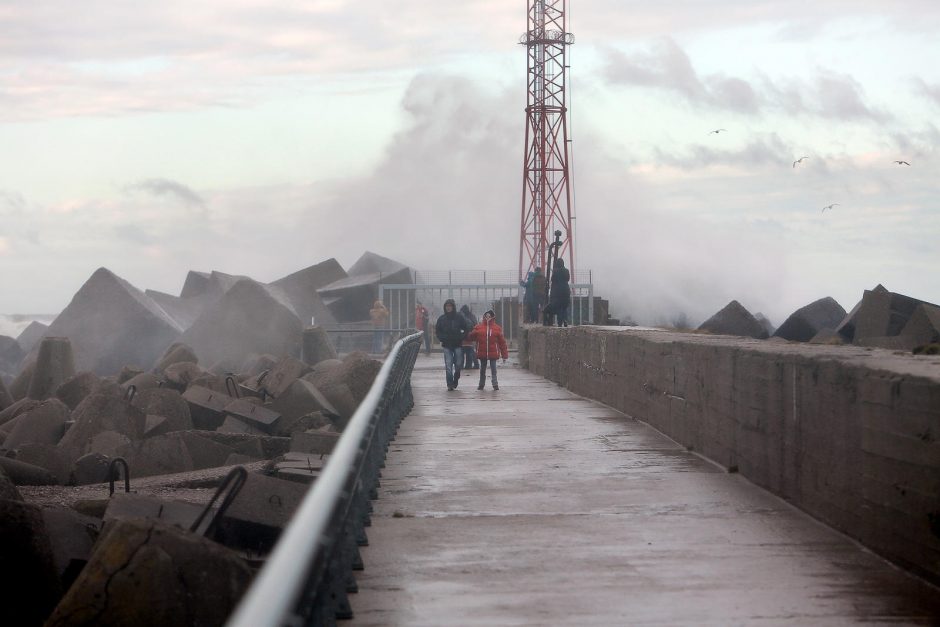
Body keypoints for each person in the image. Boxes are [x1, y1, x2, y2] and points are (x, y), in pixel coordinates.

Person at [435, 298, 470, 390]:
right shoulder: (441, 319)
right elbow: (437, 331)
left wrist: (461, 337)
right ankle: (450, 384)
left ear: (453, 307)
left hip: (457, 344)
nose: (448, 308)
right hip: (447, 345)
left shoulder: (459, 317)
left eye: (450, 306)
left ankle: (456, 376)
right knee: (448, 365)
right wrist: (441, 338)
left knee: (458, 364)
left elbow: (466, 328)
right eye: (447, 306)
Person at [469, 309, 509, 390]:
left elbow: (502, 342)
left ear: (492, 317)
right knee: (482, 369)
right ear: (484, 317)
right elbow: (471, 338)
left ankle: (495, 384)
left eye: (489, 316)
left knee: (493, 369)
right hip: (482, 352)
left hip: (493, 353)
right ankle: (481, 384)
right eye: (486, 316)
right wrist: (473, 333)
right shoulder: (478, 327)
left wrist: (504, 355)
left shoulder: (497, 328)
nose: (488, 318)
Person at [549, 259, 571, 327]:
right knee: (564, 306)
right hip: (566, 290)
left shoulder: (555, 271)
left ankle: (560, 322)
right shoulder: (567, 270)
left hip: (558, 291)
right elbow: (568, 279)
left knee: (559, 307)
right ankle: (565, 320)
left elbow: (552, 279)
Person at [459, 304, 479, 369]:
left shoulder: (462, 316)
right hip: (471, 336)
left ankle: (461, 366)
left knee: (462, 352)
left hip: (464, 336)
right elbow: (475, 325)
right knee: (470, 352)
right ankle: (470, 365)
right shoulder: (472, 316)